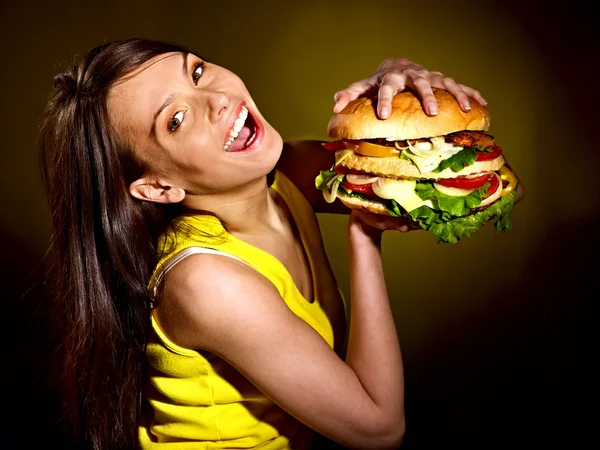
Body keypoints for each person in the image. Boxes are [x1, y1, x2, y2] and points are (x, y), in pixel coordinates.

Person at [38, 37, 518, 450]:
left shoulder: (281, 176)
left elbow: (385, 159)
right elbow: (379, 429)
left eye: (198, 71)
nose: (217, 99)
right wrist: (365, 232)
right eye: (177, 119)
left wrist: (396, 78)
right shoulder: (205, 282)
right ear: (159, 188)